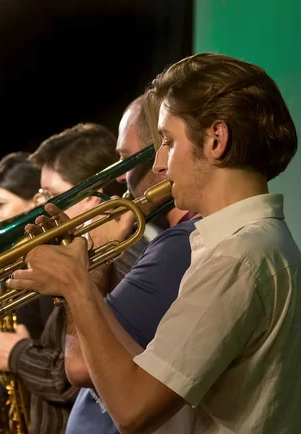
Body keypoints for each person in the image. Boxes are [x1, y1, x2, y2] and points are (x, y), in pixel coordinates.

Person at [6, 52, 301, 434]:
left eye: (168, 141)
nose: (159, 165)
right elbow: (143, 369)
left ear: (216, 139)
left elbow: (133, 411)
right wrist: (83, 275)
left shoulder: (236, 256)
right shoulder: (250, 242)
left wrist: (76, 286)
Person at [63, 95, 199, 434]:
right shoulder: (176, 240)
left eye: (125, 159)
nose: (123, 178)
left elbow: (77, 365)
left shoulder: (180, 245)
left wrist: (91, 255)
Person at [0, 122, 122, 434]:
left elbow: (79, 374)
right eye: (41, 194)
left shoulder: (110, 261)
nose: (41, 208)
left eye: (52, 195)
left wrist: (17, 354)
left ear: (92, 197)